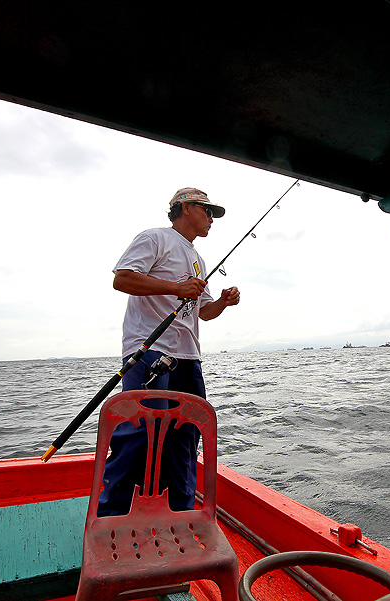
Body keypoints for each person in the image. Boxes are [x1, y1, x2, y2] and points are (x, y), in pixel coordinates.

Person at [97, 187, 240, 516]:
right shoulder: (155, 238)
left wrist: (222, 301)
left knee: (186, 439)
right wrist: (176, 287)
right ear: (186, 207)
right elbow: (123, 279)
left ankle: (181, 511)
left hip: (189, 359)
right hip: (149, 352)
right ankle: (111, 516)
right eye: (208, 211)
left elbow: (202, 312)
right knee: (139, 435)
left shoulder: (198, 259)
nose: (212, 219)